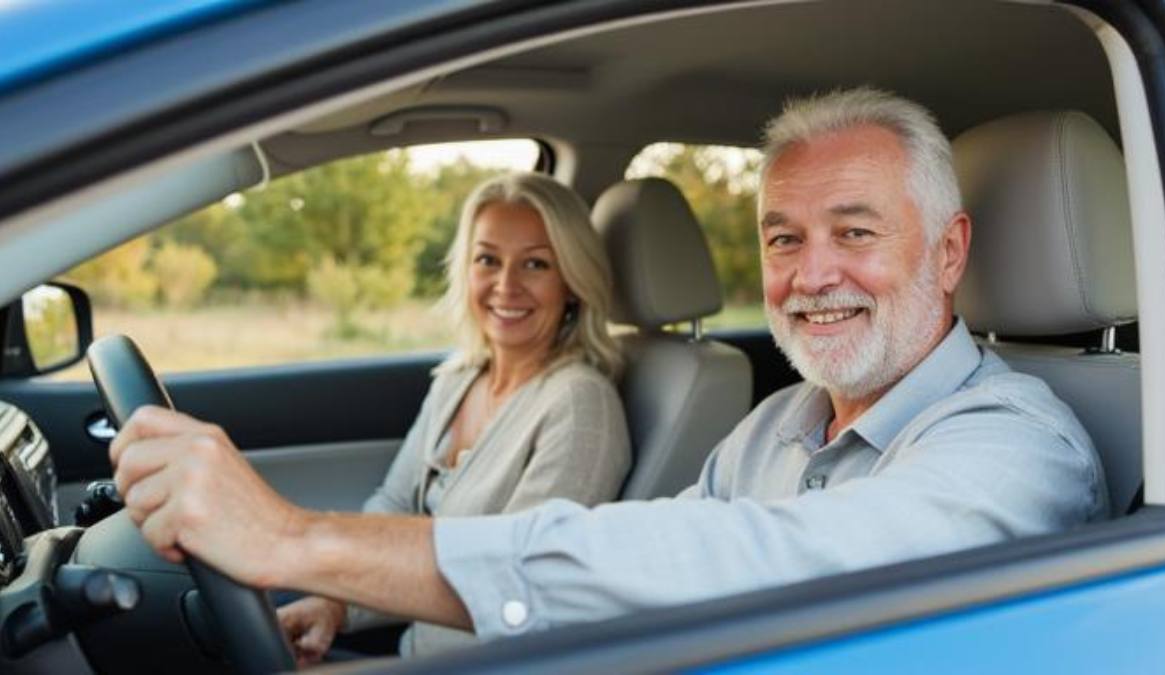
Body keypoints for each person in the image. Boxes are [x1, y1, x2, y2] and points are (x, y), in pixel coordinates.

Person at [109, 88, 1107, 657]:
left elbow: (764, 564)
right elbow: (652, 579)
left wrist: (297, 541)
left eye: (855, 232)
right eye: (782, 238)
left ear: (946, 252)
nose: (811, 276)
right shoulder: (774, 428)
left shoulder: (1018, 444)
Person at [277, 172, 630, 660]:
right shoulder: (458, 379)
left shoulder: (580, 406)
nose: (506, 286)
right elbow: (395, 505)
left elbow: (521, 580)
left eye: (535, 264)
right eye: (487, 259)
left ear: (571, 281)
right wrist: (333, 605)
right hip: (415, 651)